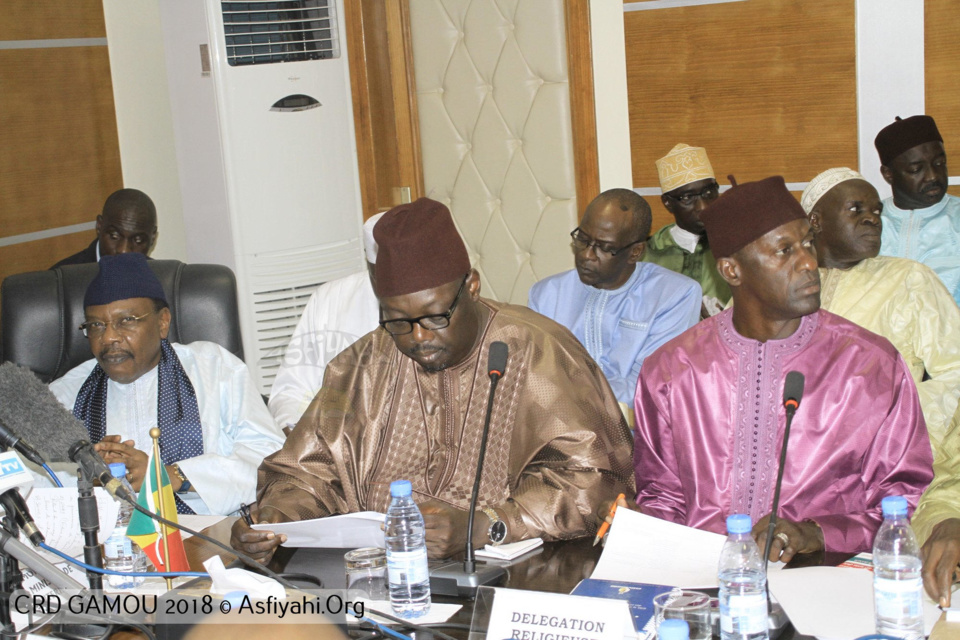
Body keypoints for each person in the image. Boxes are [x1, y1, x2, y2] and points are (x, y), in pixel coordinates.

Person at [232, 198, 634, 561]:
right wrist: (278, 518)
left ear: (472, 286)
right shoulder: (363, 364)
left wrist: (487, 525)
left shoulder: (540, 352)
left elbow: (595, 482)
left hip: (516, 575)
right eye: (398, 321)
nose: (419, 338)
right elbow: (307, 470)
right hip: (376, 573)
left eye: (435, 317)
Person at [632, 176, 933, 561]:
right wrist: (636, 527)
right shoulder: (674, 369)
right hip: (702, 582)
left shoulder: (869, 365)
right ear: (732, 272)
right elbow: (661, 497)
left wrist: (818, 533)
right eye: (784, 251)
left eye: (808, 242)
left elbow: (905, 499)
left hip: (825, 580)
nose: (809, 262)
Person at [48, 253, 285, 516]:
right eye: (96, 325)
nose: (109, 338)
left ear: (162, 322)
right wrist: (87, 474)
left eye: (126, 321)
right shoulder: (63, 397)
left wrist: (171, 476)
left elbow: (272, 461)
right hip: (109, 548)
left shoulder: (214, 369)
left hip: (211, 542)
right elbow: (35, 483)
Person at [802, 167, 960, 450]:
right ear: (816, 220)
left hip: (888, 450)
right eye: (856, 209)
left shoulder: (909, 278)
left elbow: (955, 371)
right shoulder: (781, 285)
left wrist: (891, 419)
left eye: (876, 211)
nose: (872, 219)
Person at [528, 188, 700, 416]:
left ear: (635, 252)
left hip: (636, 437)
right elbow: (537, 376)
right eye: (583, 240)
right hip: (560, 430)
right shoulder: (547, 294)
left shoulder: (674, 295)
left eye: (604, 248)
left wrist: (570, 392)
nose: (587, 255)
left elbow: (650, 385)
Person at [268, 213, 382, 429]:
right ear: (370, 267)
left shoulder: (444, 309)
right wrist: (296, 435)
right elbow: (292, 391)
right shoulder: (332, 298)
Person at [874, 115, 960, 305]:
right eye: (916, 169)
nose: (932, 176)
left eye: (939, 164)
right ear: (888, 174)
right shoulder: (870, 223)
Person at [643, 143, 731, 315]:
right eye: (688, 197)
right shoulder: (648, 256)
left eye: (708, 193)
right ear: (668, 203)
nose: (703, 206)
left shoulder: (737, 245)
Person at [51, 188, 159, 269]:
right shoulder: (61, 281)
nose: (124, 250)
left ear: (152, 238)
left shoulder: (164, 281)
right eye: (114, 236)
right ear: (99, 226)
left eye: (138, 240)